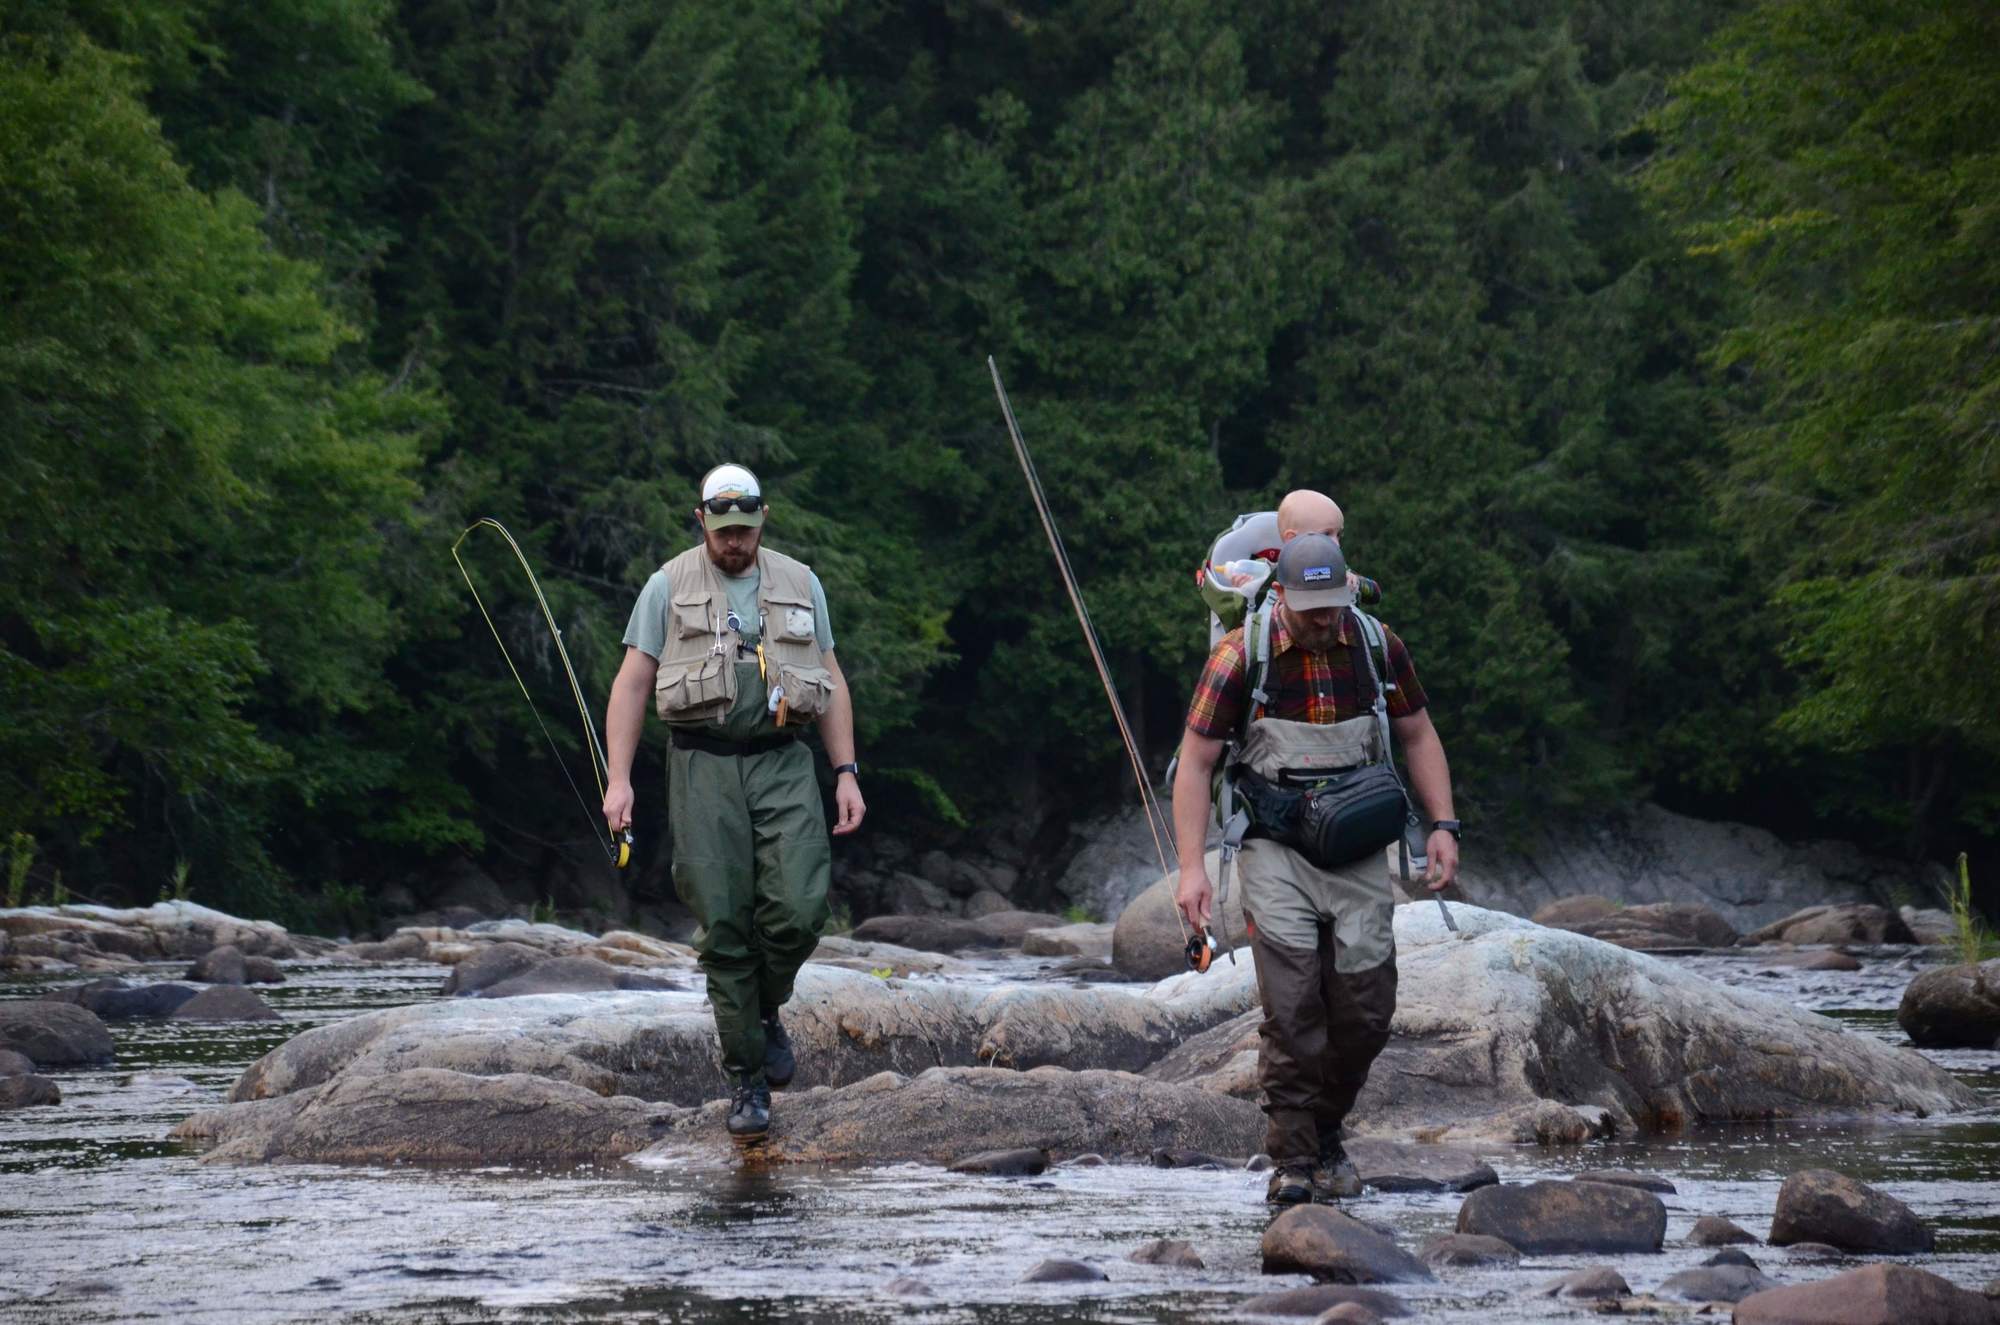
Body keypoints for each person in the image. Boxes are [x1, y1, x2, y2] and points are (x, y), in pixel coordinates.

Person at [1170, 506, 1459, 1206]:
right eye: (1312, 611)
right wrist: (1191, 868)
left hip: (1359, 847)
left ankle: (1326, 1129)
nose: (1325, 622)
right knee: (1294, 1009)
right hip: (1274, 848)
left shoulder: (1375, 643)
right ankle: (1295, 1162)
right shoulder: (1242, 654)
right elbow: (1196, 762)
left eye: (1334, 608)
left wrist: (1443, 824)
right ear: (1285, 597)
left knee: (1366, 1012)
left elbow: (1417, 733)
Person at [601, 464, 866, 1140]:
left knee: (802, 909)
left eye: (745, 530)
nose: (734, 543)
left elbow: (829, 677)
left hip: (784, 761)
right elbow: (633, 685)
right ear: (701, 521)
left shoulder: (801, 582)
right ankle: (747, 1076)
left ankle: (764, 1008)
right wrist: (620, 779)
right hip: (702, 766)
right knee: (723, 926)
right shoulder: (666, 585)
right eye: (722, 531)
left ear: (762, 519)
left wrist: (846, 771)